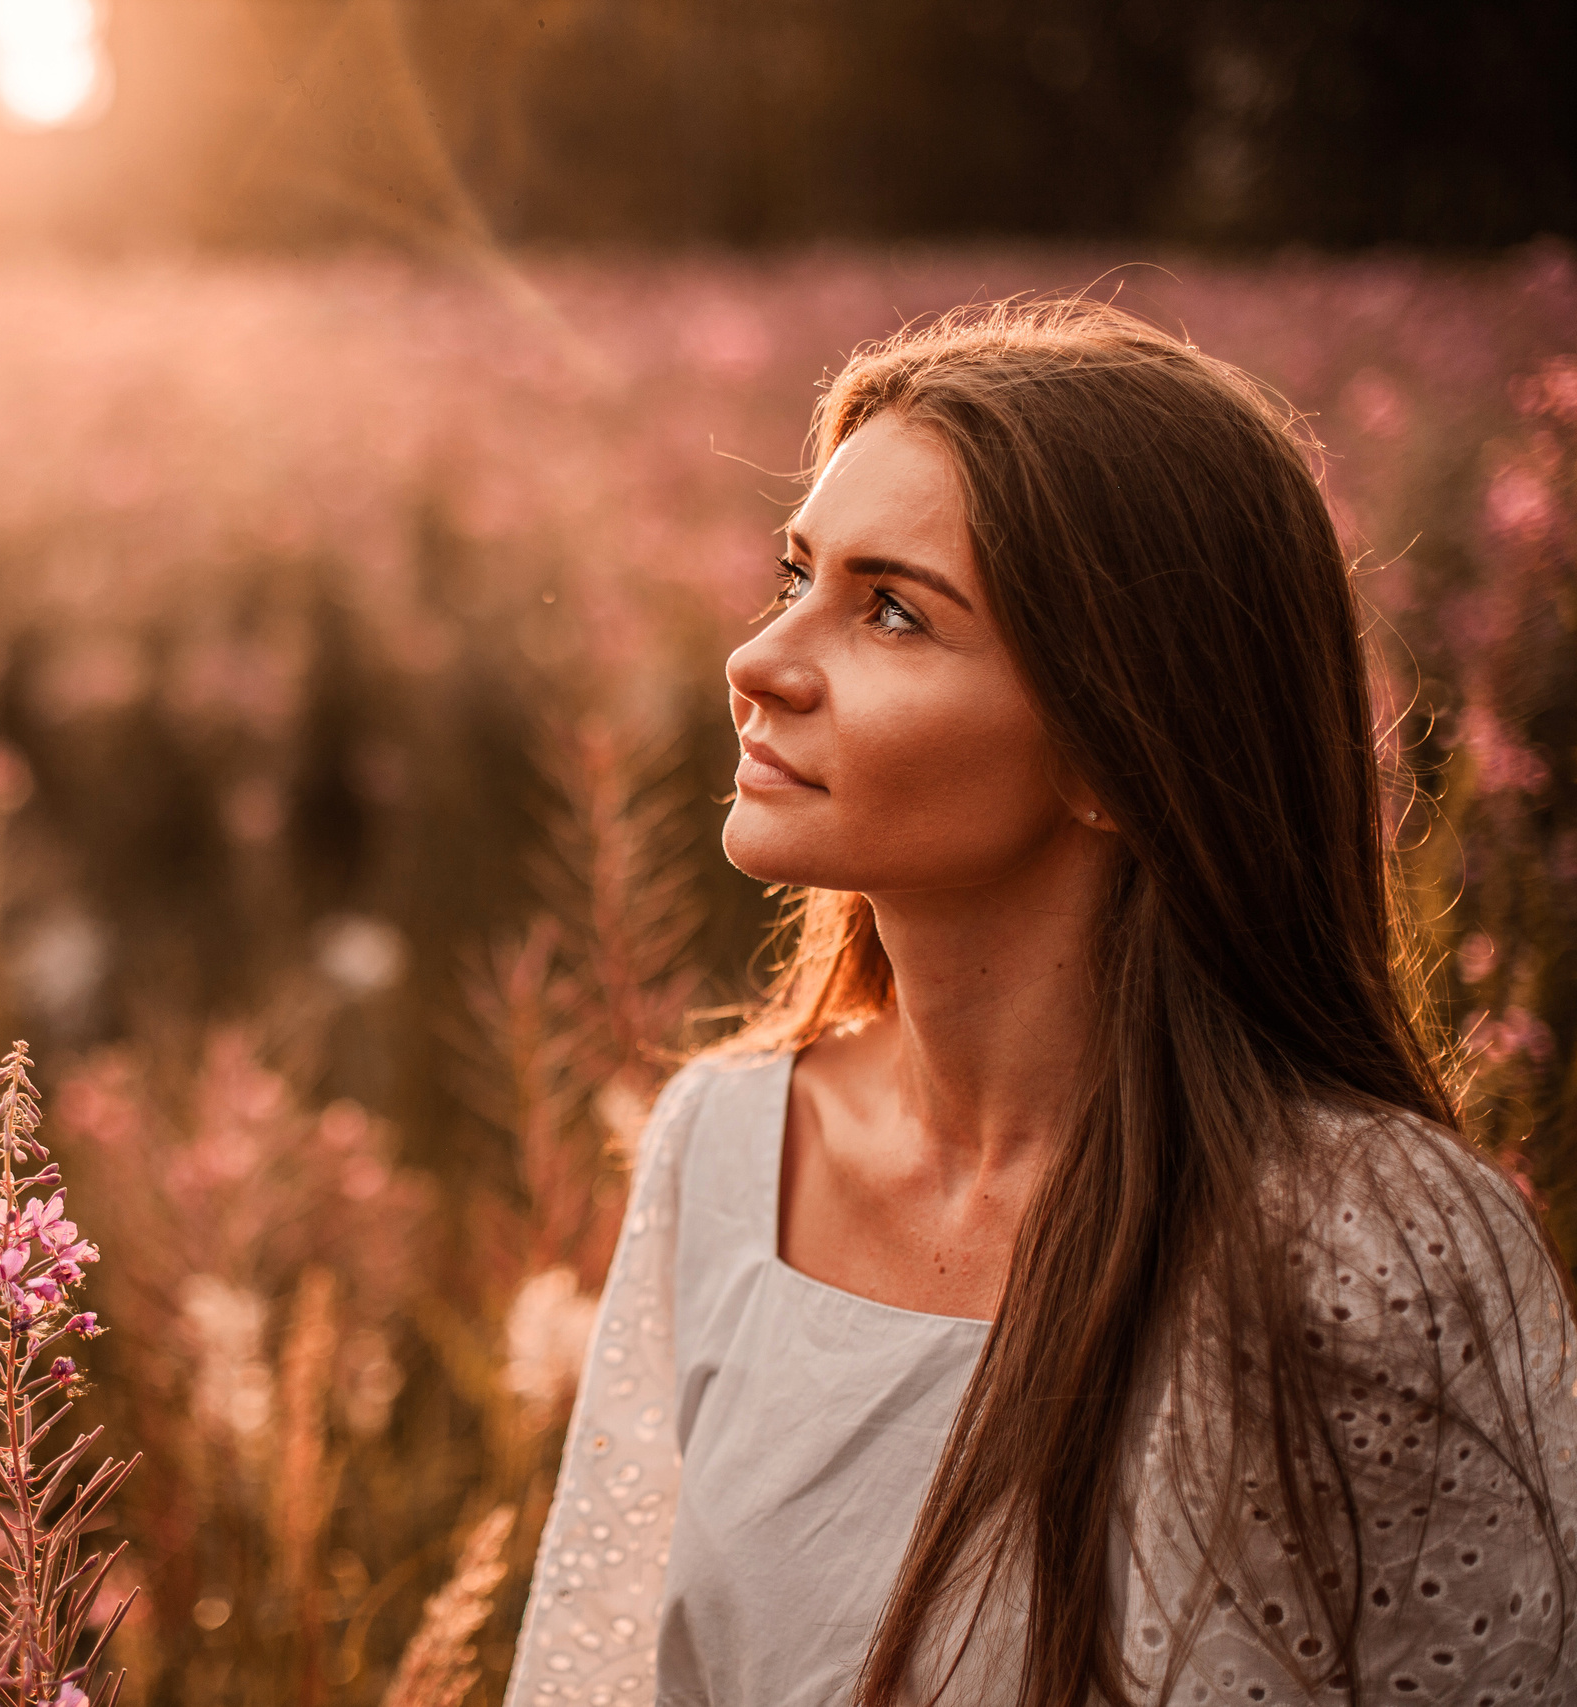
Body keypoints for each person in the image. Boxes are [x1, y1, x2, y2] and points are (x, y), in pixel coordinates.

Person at [505, 299, 1577, 1707]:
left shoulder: (1375, 1247)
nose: (758, 660)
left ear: (1115, 748)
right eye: (797, 574)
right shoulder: (721, 1155)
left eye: (892, 610)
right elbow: (596, 1677)